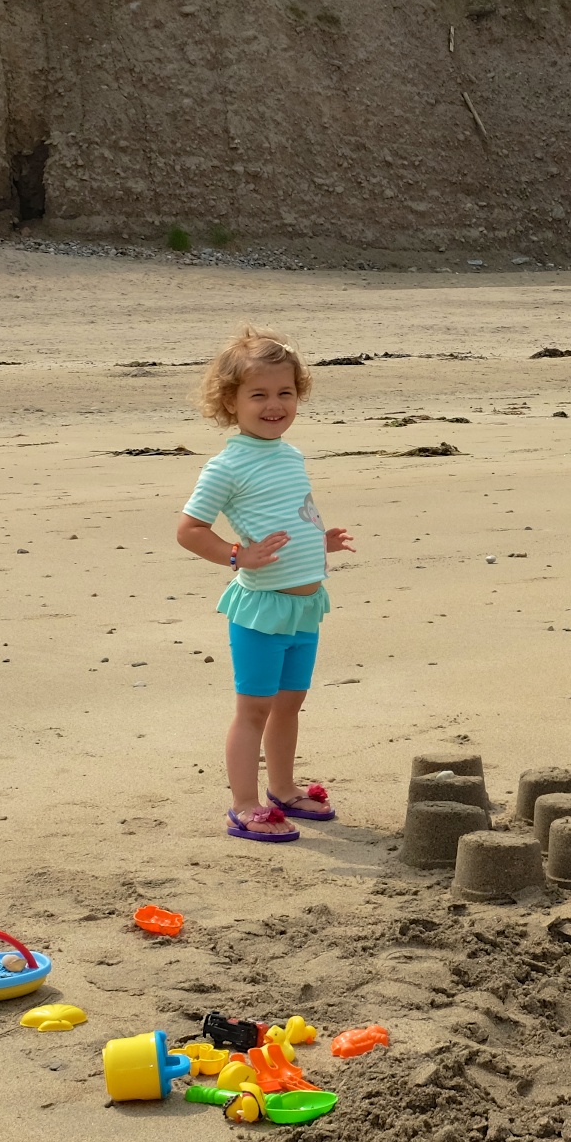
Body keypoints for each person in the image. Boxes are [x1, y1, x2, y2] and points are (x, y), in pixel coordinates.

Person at [175, 326, 354, 840]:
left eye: (285, 393)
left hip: (305, 606)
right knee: (253, 709)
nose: (274, 405)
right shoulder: (226, 466)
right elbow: (189, 530)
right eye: (259, 395)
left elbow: (291, 516)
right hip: (261, 608)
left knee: (290, 705)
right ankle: (244, 803)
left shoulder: (289, 455)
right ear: (230, 402)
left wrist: (320, 543)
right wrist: (236, 554)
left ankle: (283, 788)